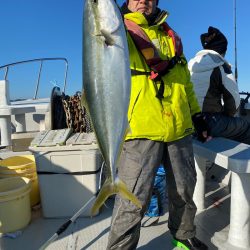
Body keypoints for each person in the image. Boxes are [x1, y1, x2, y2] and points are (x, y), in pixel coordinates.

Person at [106, 0, 208, 249]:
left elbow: (184, 81)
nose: (144, 1)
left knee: (184, 190)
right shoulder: (118, 30)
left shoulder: (172, 37)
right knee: (132, 199)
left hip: (179, 126)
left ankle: (183, 234)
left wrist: (196, 115)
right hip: (140, 128)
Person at [188, 26, 250, 144]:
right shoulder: (220, 65)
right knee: (246, 126)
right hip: (207, 123)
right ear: (222, 50)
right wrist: (227, 115)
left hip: (188, 121)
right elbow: (233, 103)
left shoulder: (190, 65)